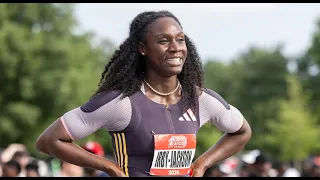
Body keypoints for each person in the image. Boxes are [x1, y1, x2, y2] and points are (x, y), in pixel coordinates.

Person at [36, 10, 251, 177]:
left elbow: (242, 132)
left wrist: (203, 163)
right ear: (142, 48)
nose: (175, 47)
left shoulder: (200, 100)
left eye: (180, 39)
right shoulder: (120, 102)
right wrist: (108, 167)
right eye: (163, 41)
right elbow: (48, 141)